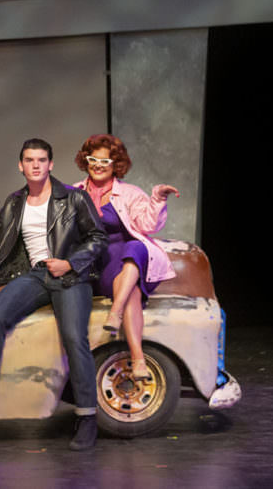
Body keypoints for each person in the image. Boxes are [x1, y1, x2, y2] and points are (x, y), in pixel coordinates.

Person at [0, 138, 107, 451]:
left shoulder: (74, 198)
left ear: (50, 165)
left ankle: (87, 417)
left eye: (41, 160)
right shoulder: (15, 202)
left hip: (71, 277)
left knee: (74, 338)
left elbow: (98, 238)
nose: (36, 165)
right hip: (36, 276)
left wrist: (69, 262)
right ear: (21, 166)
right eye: (30, 160)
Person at [72, 133, 178, 380]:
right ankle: (134, 351)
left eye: (105, 161)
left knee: (136, 247)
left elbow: (147, 225)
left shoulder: (129, 193)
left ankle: (120, 319)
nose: (98, 165)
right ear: (86, 161)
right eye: (93, 160)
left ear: (115, 164)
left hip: (123, 261)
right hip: (94, 265)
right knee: (132, 291)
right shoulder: (73, 192)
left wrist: (159, 198)